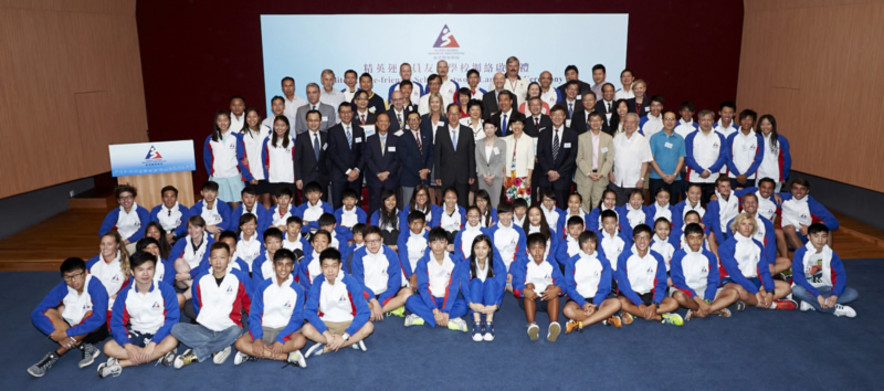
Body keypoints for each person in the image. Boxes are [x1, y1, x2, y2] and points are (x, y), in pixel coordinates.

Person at [97, 252, 180, 378]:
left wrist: (153, 343)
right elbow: (116, 323)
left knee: (173, 340)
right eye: (140, 269)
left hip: (160, 333)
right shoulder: (124, 294)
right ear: (132, 272)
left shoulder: (166, 289)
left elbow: (172, 319)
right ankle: (159, 354)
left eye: (149, 269)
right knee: (108, 347)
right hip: (137, 332)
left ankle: (121, 364)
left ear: (154, 269)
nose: (145, 274)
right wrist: (128, 346)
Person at [171, 242, 251, 368]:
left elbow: (249, 303)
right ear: (209, 260)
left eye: (222, 257)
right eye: (215, 258)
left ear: (229, 259)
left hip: (229, 327)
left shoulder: (240, 277)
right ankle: (220, 346)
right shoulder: (200, 279)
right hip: (206, 328)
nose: (218, 262)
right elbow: (198, 306)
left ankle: (196, 353)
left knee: (236, 331)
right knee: (176, 328)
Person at [28, 258, 108, 378]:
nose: (73, 281)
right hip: (70, 327)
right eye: (68, 277)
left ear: (85, 272)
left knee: (90, 314)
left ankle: (55, 355)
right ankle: (83, 346)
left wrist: (66, 333)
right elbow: (36, 313)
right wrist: (52, 333)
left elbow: (99, 318)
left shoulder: (96, 286)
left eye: (76, 275)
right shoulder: (64, 286)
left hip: (93, 330)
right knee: (50, 311)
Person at [233, 249, 308, 366]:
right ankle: (287, 356)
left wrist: (281, 339)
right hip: (264, 328)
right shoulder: (263, 286)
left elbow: (297, 318)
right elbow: (254, 314)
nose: (283, 268)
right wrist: (257, 338)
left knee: (301, 341)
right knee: (239, 343)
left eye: (287, 264)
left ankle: (255, 352)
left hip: (285, 328)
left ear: (293, 267)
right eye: (280, 264)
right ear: (274, 266)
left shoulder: (298, 290)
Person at [302, 248, 374, 357]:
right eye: (326, 267)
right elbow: (309, 311)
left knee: (369, 327)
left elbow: (364, 311)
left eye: (334, 266)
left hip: (348, 322)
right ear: (321, 268)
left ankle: (328, 346)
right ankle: (350, 342)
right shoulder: (318, 282)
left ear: (340, 266)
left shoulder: (350, 281)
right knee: (306, 329)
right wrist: (326, 333)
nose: (330, 270)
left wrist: (345, 336)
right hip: (327, 323)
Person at [719, 212, 795, 311]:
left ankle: (750, 301)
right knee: (741, 292)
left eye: (750, 224)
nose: (747, 227)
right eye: (743, 224)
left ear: (754, 227)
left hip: (754, 280)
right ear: (737, 226)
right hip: (733, 280)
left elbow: (764, 271)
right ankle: (771, 305)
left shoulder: (758, 245)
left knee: (786, 288)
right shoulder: (725, 246)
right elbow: (736, 274)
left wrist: (770, 292)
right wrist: (756, 292)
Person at [615, 224, 684, 326]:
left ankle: (635, 313)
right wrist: (639, 303)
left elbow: (661, 283)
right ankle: (659, 317)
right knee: (619, 302)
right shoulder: (624, 257)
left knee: (674, 303)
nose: (642, 241)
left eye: (646, 237)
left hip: (649, 295)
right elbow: (623, 285)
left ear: (651, 239)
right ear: (634, 239)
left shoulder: (657, 257)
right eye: (639, 237)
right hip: (630, 296)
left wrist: (655, 304)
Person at [403, 227, 470, 332]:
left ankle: (424, 317)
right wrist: (435, 311)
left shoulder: (455, 261)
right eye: (434, 242)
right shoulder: (423, 262)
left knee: (464, 306)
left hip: (447, 299)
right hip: (429, 299)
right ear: (429, 244)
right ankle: (447, 321)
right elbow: (423, 288)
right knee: (410, 301)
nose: (438, 246)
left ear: (446, 243)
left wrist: (446, 310)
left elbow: (453, 288)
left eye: (441, 242)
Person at [669, 223, 739, 321]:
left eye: (699, 238)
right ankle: (712, 309)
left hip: (705, 290)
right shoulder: (678, 256)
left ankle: (702, 311)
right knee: (678, 296)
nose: (696, 241)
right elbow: (678, 282)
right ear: (685, 239)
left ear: (703, 238)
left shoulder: (710, 256)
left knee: (733, 293)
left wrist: (707, 300)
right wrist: (698, 300)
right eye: (692, 238)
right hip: (686, 291)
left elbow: (713, 281)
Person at [791, 223, 858, 317]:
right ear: (809, 237)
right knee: (797, 290)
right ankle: (834, 309)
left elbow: (840, 276)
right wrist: (817, 295)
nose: (820, 240)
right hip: (807, 288)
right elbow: (798, 278)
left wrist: (834, 295)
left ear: (827, 238)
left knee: (852, 293)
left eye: (824, 236)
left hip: (826, 288)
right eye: (816, 236)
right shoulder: (800, 253)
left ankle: (811, 302)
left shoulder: (831, 254)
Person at [563, 231, 622, 333]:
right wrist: (584, 304)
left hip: (598, 300)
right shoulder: (571, 261)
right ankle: (603, 317)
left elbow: (605, 288)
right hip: (578, 300)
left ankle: (582, 323)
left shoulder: (604, 262)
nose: (589, 246)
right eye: (586, 242)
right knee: (567, 310)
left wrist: (595, 304)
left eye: (592, 242)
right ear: (580, 244)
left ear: (596, 244)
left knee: (617, 303)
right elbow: (569, 287)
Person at [512, 232, 564, 341]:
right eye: (533, 248)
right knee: (529, 285)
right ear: (528, 250)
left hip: (547, 298)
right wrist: (524, 290)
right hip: (529, 299)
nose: (537, 252)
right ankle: (531, 325)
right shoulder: (522, 262)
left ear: (545, 248)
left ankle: (553, 324)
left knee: (551, 287)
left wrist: (557, 289)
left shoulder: (551, 262)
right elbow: (517, 283)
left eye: (540, 248)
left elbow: (561, 281)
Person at [351, 226, 410, 320]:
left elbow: (395, 282)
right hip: (367, 295)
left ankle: (376, 312)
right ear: (364, 243)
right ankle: (377, 309)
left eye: (376, 240)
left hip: (386, 293)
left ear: (382, 240)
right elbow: (358, 282)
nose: (373, 244)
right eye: (369, 241)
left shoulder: (390, 254)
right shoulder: (358, 255)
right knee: (351, 295)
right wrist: (373, 301)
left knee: (408, 293)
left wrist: (380, 303)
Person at [729, 192, 790, 276]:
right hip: (743, 259)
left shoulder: (766, 223)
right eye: (747, 202)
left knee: (786, 262)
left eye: (753, 202)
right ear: (742, 205)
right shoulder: (733, 222)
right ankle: (762, 276)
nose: (750, 205)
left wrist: (770, 262)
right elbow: (729, 246)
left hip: (760, 258)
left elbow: (770, 245)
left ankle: (760, 276)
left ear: (757, 205)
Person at [461, 235, 507, 341]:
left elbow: (501, 285)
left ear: (489, 249)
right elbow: (463, 285)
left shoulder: (496, 262)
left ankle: (489, 321)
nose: (480, 251)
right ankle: (477, 322)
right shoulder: (466, 263)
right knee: (476, 281)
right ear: (473, 249)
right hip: (474, 298)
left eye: (484, 248)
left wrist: (496, 305)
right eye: (477, 248)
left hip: (490, 299)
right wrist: (471, 304)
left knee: (490, 281)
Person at [204, 111, 253, 203]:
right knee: (220, 204)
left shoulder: (236, 137)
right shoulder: (210, 139)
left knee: (236, 202)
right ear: (216, 122)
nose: (223, 123)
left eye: (225, 120)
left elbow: (242, 155)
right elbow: (207, 159)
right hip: (218, 176)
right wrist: (211, 173)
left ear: (229, 121)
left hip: (234, 175)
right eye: (220, 120)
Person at [780, 177, 839, 249]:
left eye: (802, 189)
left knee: (824, 227)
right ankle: (803, 255)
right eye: (795, 188)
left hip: (806, 236)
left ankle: (827, 257)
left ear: (807, 191)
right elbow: (766, 191)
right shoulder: (783, 198)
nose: (798, 191)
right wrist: (774, 195)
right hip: (787, 237)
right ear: (791, 190)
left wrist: (811, 228)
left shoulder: (813, 205)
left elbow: (834, 222)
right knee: (789, 228)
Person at [435, 103, 476, 207]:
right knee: (447, 204)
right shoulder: (440, 132)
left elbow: (471, 154)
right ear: (447, 115)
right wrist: (437, 175)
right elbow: (437, 155)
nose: (453, 117)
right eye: (451, 114)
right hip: (446, 175)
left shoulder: (468, 131)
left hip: (463, 175)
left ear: (460, 115)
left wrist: (472, 174)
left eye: (456, 114)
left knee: (462, 203)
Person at [536, 105, 577, 208]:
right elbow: (540, 154)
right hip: (546, 178)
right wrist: (549, 171)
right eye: (555, 115)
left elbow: (572, 156)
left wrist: (559, 173)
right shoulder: (543, 133)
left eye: (560, 115)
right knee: (544, 208)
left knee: (562, 207)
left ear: (564, 117)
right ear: (550, 116)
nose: (557, 118)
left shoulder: (572, 134)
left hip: (563, 178)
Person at [326, 102, 365, 209]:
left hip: (356, 176)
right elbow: (332, 154)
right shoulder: (332, 131)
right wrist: (348, 171)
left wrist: (356, 170)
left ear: (352, 113)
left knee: (356, 204)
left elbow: (363, 153)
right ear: (339, 114)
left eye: (348, 112)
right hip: (339, 175)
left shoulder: (359, 130)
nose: (346, 115)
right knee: (338, 204)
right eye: (343, 112)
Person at [685, 110, 729, 204]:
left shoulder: (720, 137)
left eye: (709, 120)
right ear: (699, 121)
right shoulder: (691, 137)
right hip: (694, 178)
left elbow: (723, 157)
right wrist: (700, 170)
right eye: (703, 120)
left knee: (712, 206)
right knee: (694, 206)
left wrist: (709, 170)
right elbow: (688, 157)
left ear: (713, 121)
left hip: (713, 179)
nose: (706, 122)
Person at [610, 113, 652, 205]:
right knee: (618, 208)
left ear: (637, 124)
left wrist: (641, 179)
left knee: (633, 208)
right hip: (617, 180)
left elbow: (645, 161)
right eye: (627, 122)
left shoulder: (643, 140)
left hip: (634, 182)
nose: (629, 125)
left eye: (632, 122)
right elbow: (610, 158)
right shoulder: (616, 138)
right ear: (623, 124)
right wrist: (610, 173)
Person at [575, 112, 614, 210]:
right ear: (588, 122)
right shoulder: (581, 137)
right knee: (583, 203)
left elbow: (609, 159)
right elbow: (579, 158)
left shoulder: (608, 138)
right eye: (592, 120)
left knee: (598, 204)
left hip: (601, 176)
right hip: (584, 175)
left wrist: (602, 173)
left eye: (598, 120)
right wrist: (589, 173)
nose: (595, 123)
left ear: (602, 122)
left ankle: (596, 224)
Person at [364, 113, 401, 214]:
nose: (383, 123)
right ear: (376, 123)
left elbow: (397, 159)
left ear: (389, 124)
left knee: (391, 206)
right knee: (374, 206)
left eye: (386, 121)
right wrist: (378, 173)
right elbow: (368, 158)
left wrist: (388, 172)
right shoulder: (370, 139)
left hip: (391, 179)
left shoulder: (396, 139)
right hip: (375, 179)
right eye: (381, 121)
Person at [99, 184, 150, 254]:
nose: (125, 200)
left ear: (134, 198)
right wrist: (114, 241)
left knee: (128, 251)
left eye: (128, 197)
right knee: (105, 253)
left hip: (138, 240)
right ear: (118, 200)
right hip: (120, 241)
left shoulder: (142, 212)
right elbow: (102, 231)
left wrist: (127, 241)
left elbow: (145, 229)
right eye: (122, 198)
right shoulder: (114, 213)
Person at [87, 232, 130, 311]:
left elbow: (131, 284)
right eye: (102, 244)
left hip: (116, 304)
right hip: (94, 304)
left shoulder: (126, 263)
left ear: (117, 245)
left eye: (109, 244)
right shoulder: (91, 263)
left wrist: (119, 295)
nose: (105, 247)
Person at [649, 111, 686, 202]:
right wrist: (662, 175)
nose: (669, 122)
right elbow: (651, 159)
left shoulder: (680, 139)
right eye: (667, 119)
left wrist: (674, 175)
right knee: (655, 207)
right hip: (657, 178)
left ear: (676, 121)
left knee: (673, 207)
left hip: (675, 179)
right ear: (662, 121)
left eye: (672, 119)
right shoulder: (654, 138)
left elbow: (681, 159)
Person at [399, 111, 434, 207]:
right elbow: (406, 159)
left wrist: (427, 169)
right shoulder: (402, 138)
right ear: (407, 122)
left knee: (425, 207)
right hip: (409, 179)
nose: (413, 122)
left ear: (420, 120)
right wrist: (419, 173)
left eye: (415, 119)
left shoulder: (427, 135)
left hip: (425, 178)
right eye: (410, 120)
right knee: (408, 207)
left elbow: (431, 154)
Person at [725, 109, 764, 189]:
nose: (746, 122)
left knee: (748, 200)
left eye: (749, 120)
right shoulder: (732, 137)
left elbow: (758, 159)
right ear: (739, 121)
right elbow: (728, 157)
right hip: (733, 175)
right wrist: (737, 174)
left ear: (754, 122)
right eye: (744, 119)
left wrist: (746, 174)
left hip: (750, 177)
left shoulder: (758, 138)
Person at [261, 115, 297, 200]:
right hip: (274, 178)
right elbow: (264, 160)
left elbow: (296, 160)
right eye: (277, 125)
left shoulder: (292, 141)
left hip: (289, 179)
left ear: (287, 127)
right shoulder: (267, 140)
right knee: (277, 204)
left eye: (282, 125)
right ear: (273, 126)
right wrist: (267, 175)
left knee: (289, 205)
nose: (279, 128)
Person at [294, 111, 330, 196]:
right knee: (307, 204)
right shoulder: (301, 137)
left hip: (323, 178)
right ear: (306, 121)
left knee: (322, 203)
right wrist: (298, 178)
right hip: (306, 178)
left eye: (316, 120)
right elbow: (297, 159)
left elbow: (328, 158)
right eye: (310, 120)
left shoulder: (326, 136)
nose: (313, 123)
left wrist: (329, 176)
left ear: (320, 122)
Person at [502, 117, 535, 204]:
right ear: (511, 126)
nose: (517, 126)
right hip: (509, 177)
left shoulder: (529, 140)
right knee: (509, 203)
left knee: (523, 203)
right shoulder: (505, 140)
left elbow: (531, 160)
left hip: (523, 177)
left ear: (523, 126)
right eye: (514, 124)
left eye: (519, 124)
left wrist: (529, 178)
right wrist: (504, 176)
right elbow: (503, 160)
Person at [755, 114, 791, 192]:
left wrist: (784, 177)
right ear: (759, 126)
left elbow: (787, 160)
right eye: (763, 124)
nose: (765, 127)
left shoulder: (781, 140)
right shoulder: (755, 139)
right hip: (758, 176)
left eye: (768, 124)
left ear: (773, 125)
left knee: (773, 201)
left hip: (775, 177)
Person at [705, 176, 740, 254]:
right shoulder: (714, 202)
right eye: (723, 186)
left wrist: (773, 195)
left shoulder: (735, 196)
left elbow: (754, 190)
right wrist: (721, 242)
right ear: (717, 189)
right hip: (720, 231)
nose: (726, 189)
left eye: (728, 186)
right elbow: (715, 224)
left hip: (734, 230)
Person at [476, 121, 506, 208]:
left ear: (495, 129)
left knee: (495, 202)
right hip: (483, 177)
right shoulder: (479, 143)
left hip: (496, 177)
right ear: (484, 130)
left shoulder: (502, 143)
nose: (489, 130)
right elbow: (478, 159)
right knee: (482, 203)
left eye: (491, 127)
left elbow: (502, 161)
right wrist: (484, 175)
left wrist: (493, 175)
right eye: (486, 128)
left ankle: (494, 221)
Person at [397, 211, 430, 291]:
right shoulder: (403, 236)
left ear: (424, 224)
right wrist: (410, 276)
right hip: (406, 266)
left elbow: (426, 257)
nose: (415, 226)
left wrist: (415, 274)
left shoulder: (429, 236)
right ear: (408, 224)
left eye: (418, 223)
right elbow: (403, 257)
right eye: (412, 223)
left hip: (423, 266)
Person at [240, 107, 269, 198]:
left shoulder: (267, 130)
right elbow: (240, 158)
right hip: (252, 174)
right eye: (249, 117)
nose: (252, 119)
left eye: (254, 116)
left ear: (259, 117)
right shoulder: (241, 134)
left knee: (267, 198)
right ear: (245, 118)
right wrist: (249, 177)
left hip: (265, 172)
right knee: (253, 200)